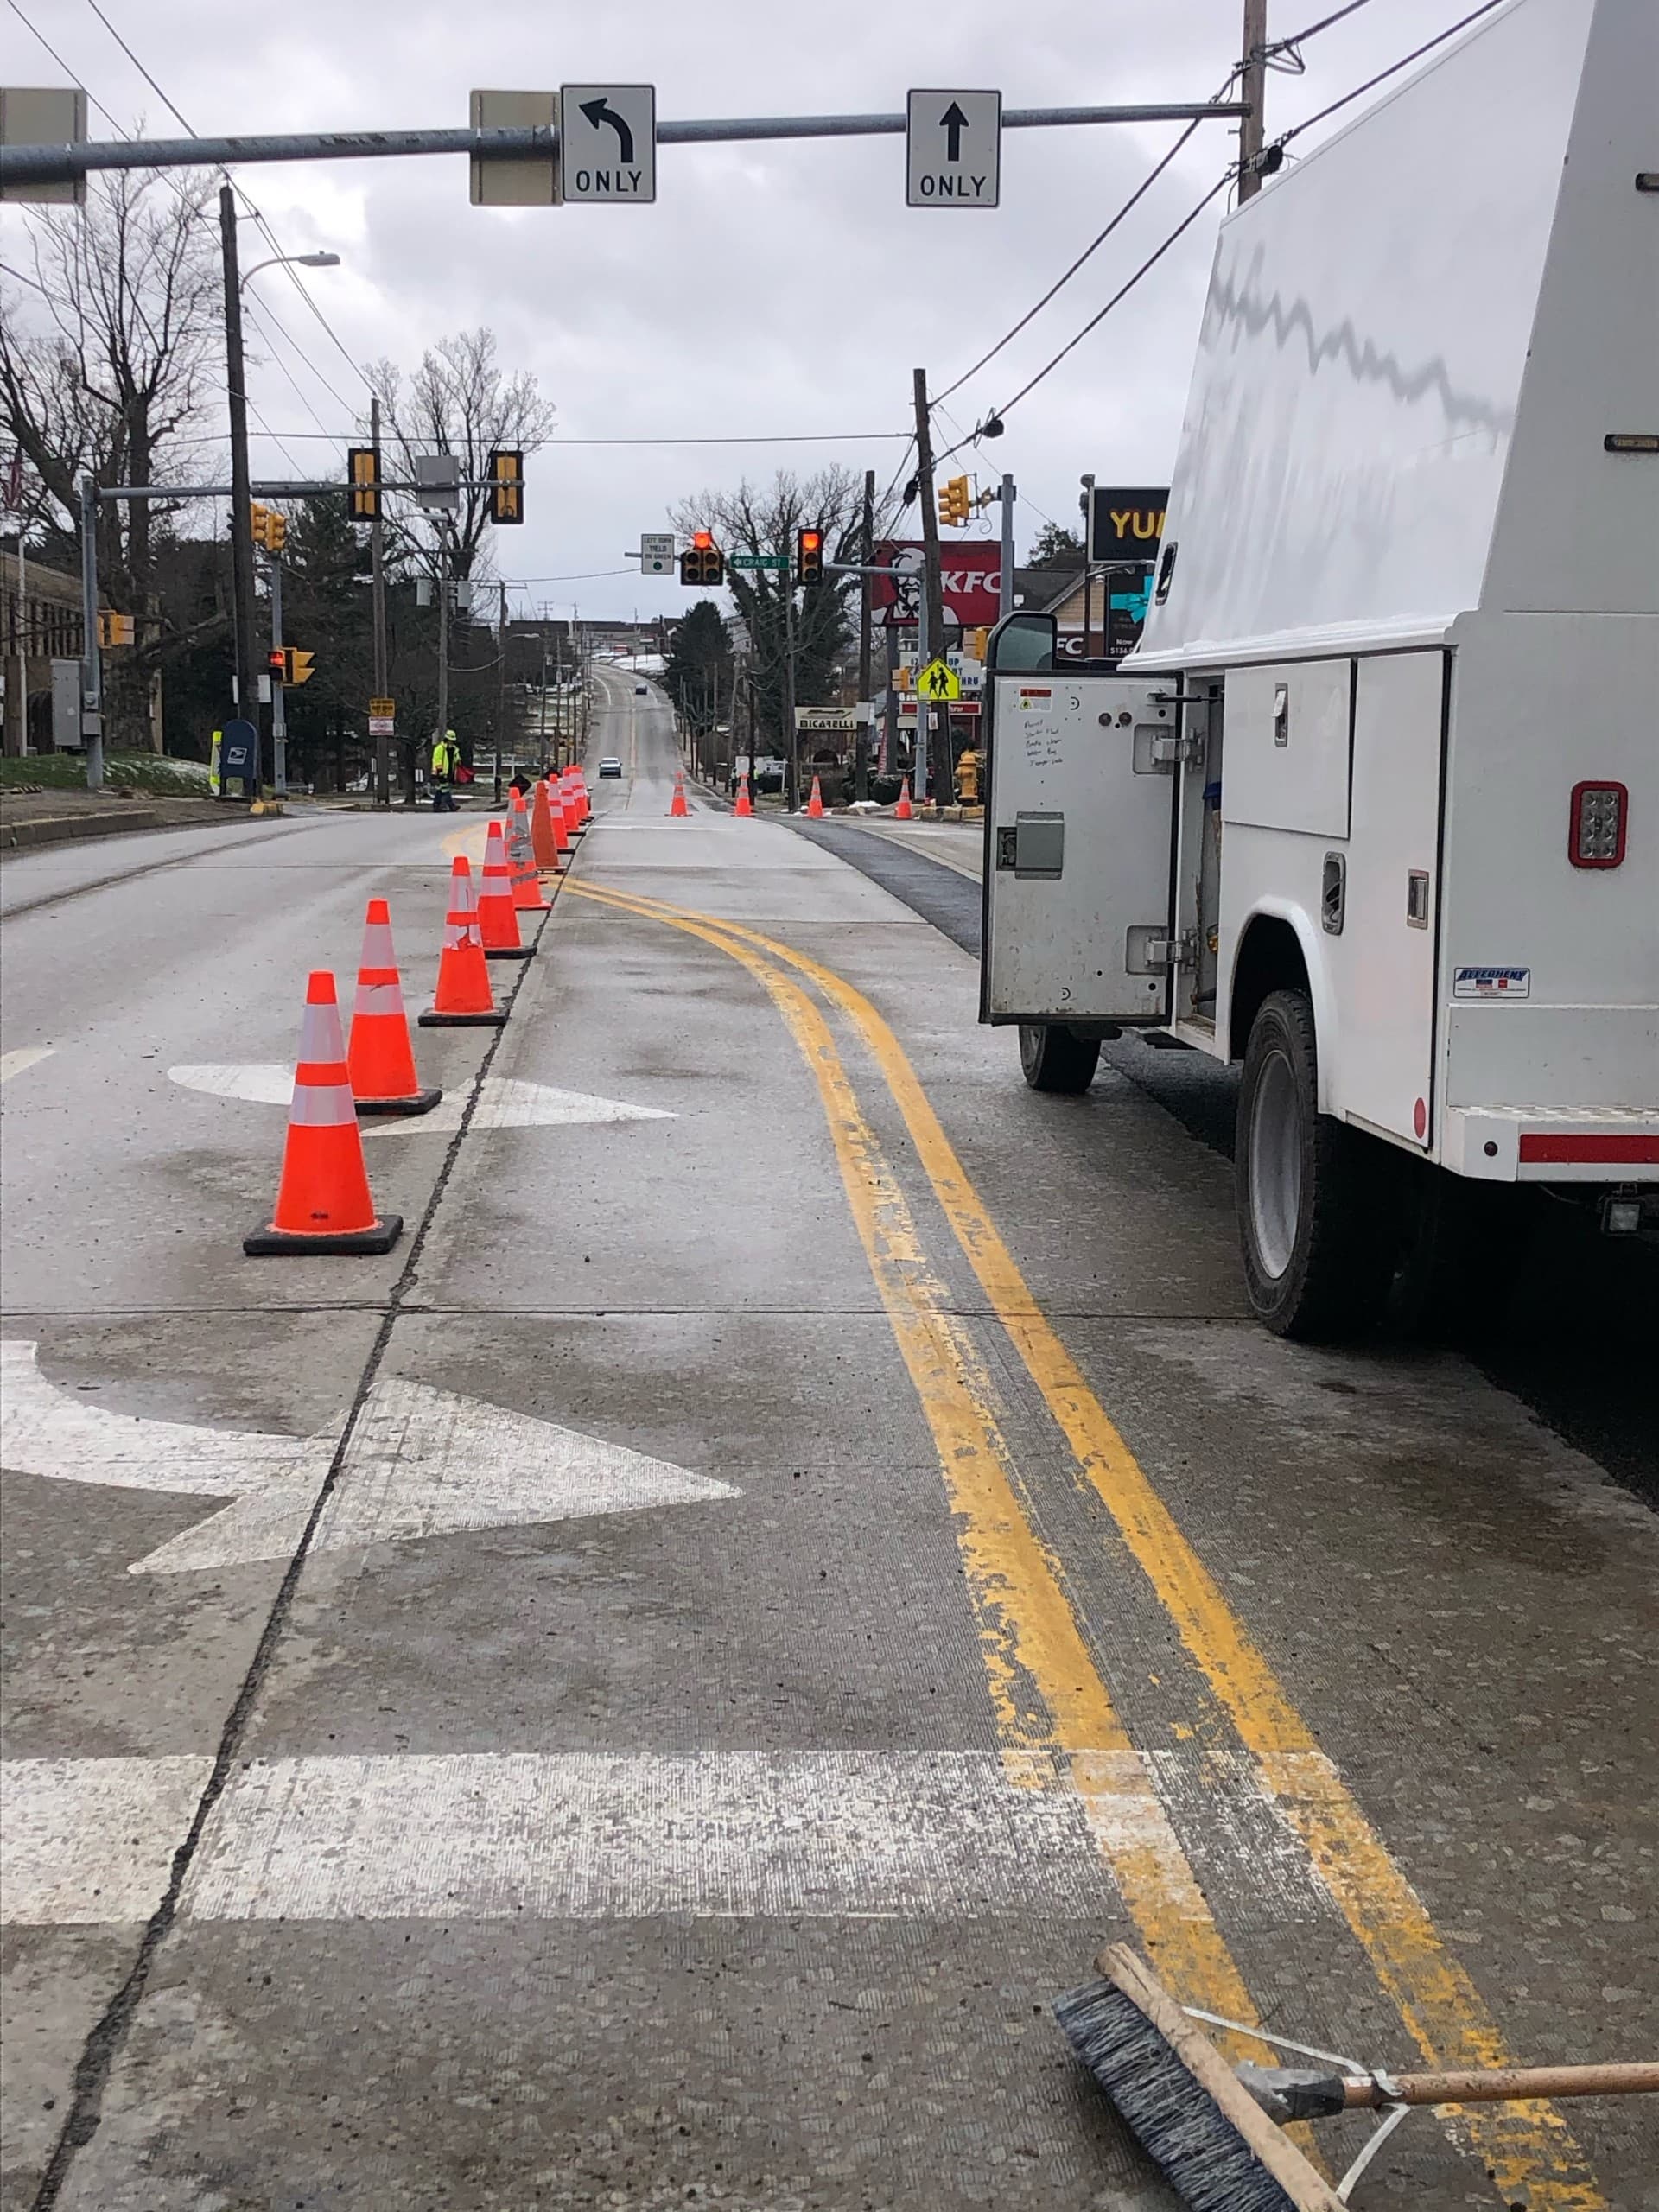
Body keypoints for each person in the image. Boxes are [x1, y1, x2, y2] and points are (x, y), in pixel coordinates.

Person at [429, 728, 460, 811]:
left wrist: (458, 761)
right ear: (447, 739)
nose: (451, 742)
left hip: (449, 772)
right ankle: (451, 806)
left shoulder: (454, 749)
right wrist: (440, 771)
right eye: (450, 740)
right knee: (445, 789)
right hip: (441, 773)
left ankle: (436, 805)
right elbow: (437, 760)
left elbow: (456, 759)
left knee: (440, 789)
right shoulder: (440, 748)